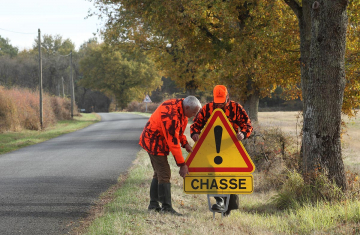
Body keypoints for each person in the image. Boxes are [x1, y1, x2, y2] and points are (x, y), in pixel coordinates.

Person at [190, 85, 253, 216]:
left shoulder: (236, 108)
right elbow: (195, 125)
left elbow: (247, 125)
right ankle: (220, 202)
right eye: (217, 101)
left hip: (230, 148)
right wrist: (195, 133)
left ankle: (228, 206)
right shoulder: (207, 108)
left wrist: (243, 133)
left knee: (230, 178)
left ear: (227, 97)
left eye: (222, 101)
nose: (219, 105)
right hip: (210, 149)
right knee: (213, 175)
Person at [139, 96, 202, 216]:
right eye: (194, 112)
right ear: (187, 107)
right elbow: (173, 143)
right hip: (153, 141)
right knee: (164, 173)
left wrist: (185, 144)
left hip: (160, 140)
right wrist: (182, 165)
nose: (194, 115)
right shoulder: (170, 115)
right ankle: (166, 208)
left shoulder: (181, 108)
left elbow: (179, 132)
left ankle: (153, 205)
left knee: (158, 173)